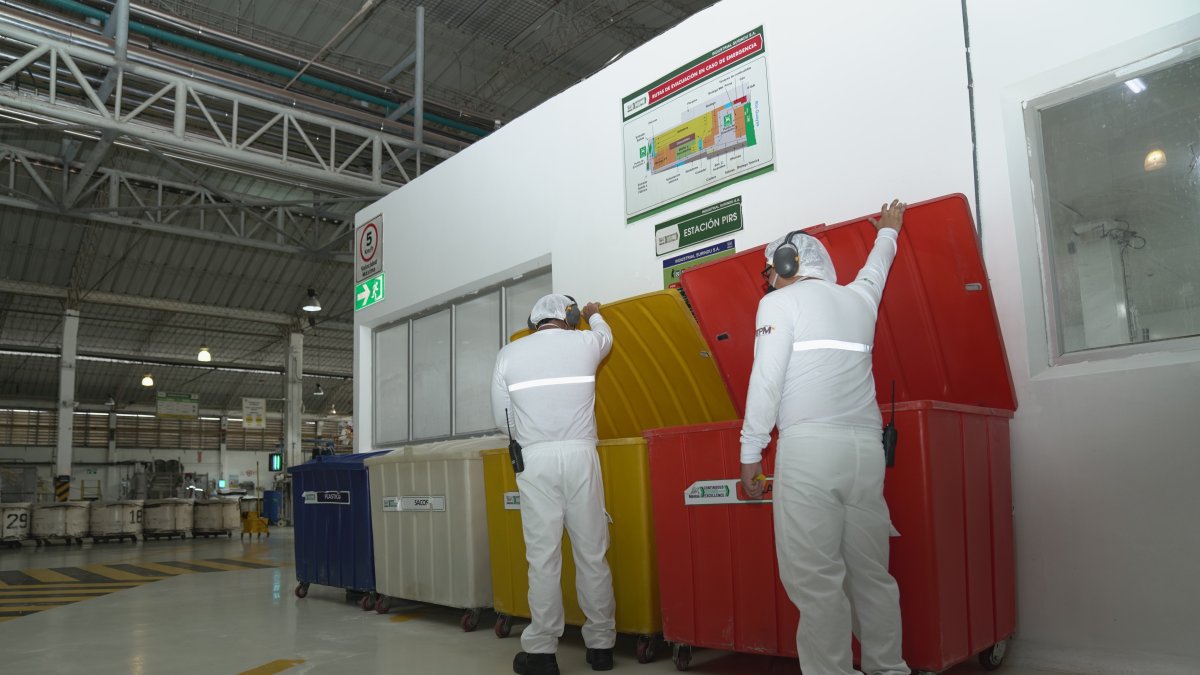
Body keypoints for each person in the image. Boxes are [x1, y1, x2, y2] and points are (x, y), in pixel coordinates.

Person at [739, 200, 910, 675]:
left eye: (770, 270)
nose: (768, 280)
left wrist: (750, 453)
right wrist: (889, 231)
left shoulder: (778, 303)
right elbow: (877, 269)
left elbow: (765, 384)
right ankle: (889, 669)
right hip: (864, 453)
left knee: (816, 582)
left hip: (810, 452)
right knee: (872, 574)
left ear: (789, 263)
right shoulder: (859, 298)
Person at [491, 293, 617, 675]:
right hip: (581, 456)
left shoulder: (509, 354)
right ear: (571, 317)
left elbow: (502, 420)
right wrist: (594, 316)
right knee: (592, 553)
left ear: (533, 322)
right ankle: (601, 647)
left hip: (535, 458)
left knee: (542, 557)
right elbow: (606, 336)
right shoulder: (586, 342)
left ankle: (543, 651)